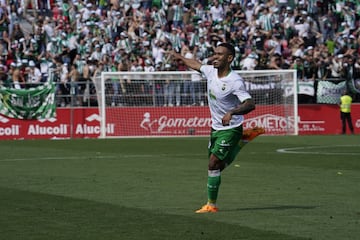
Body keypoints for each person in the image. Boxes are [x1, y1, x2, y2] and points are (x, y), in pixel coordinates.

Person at [171, 43, 265, 213]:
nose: (215, 57)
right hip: (216, 127)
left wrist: (232, 112)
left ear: (229, 58)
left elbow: (250, 104)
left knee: (213, 164)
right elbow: (196, 65)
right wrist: (180, 57)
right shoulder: (211, 71)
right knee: (217, 166)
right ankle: (242, 142)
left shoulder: (234, 81)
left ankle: (211, 205)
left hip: (231, 127)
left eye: (220, 55)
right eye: (214, 54)